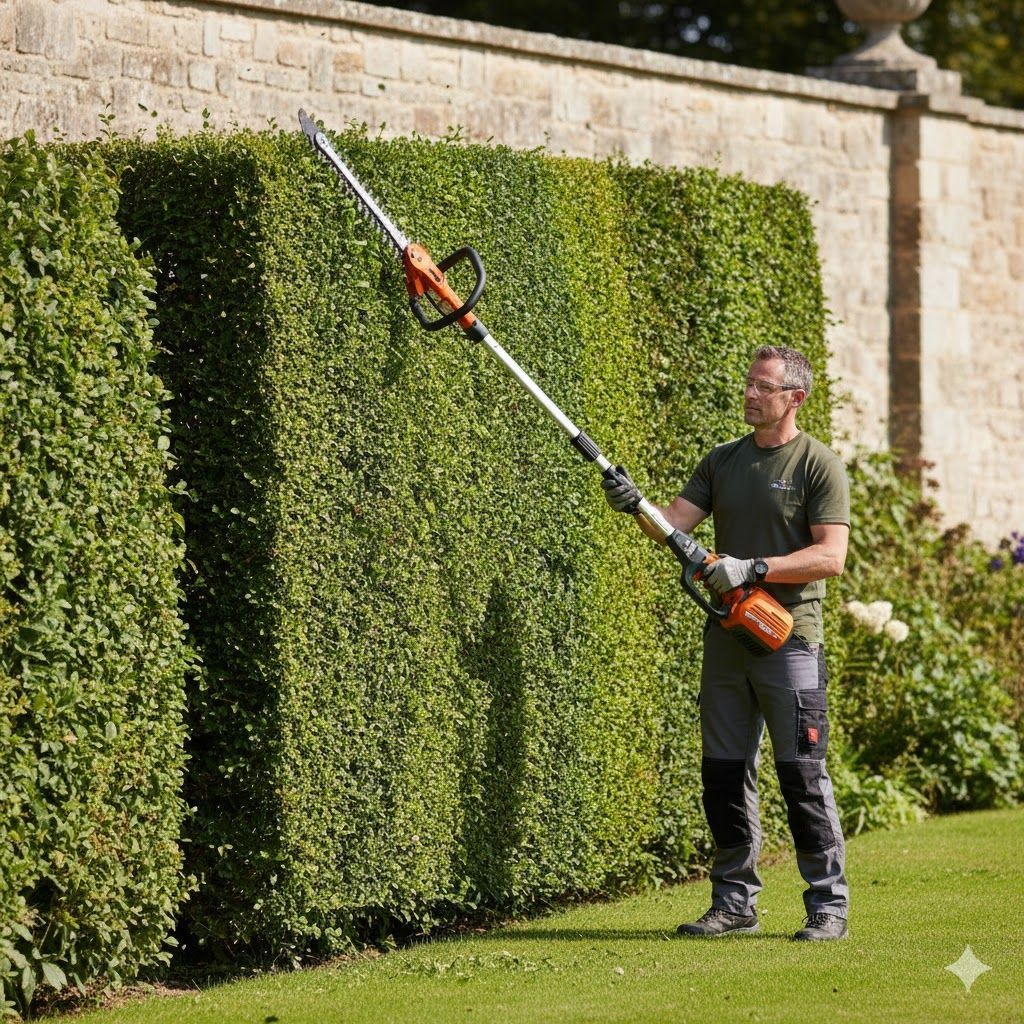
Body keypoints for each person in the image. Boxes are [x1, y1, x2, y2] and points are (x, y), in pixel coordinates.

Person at [603, 345, 850, 942]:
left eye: (762, 387)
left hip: (789, 639)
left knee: (802, 774)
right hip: (727, 636)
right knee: (724, 772)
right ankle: (734, 902)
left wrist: (753, 568)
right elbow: (674, 527)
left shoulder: (819, 465)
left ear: (795, 398)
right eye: (749, 383)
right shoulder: (723, 461)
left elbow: (830, 557)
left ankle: (827, 906)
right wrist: (634, 505)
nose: (749, 394)